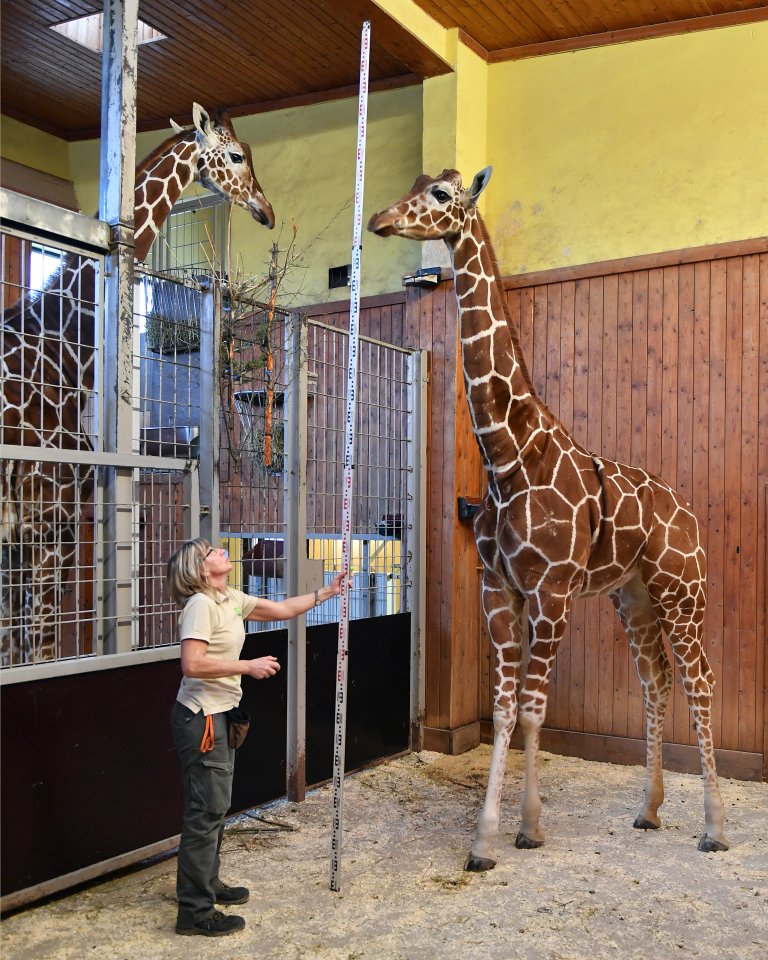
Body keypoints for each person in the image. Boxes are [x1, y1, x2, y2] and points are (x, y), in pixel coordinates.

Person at [166, 537, 346, 937]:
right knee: (205, 811)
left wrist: (327, 591)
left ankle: (208, 884)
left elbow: (282, 609)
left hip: (220, 717)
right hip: (202, 720)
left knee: (215, 806)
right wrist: (246, 666)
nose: (220, 552)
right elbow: (192, 664)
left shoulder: (229, 597)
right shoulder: (200, 605)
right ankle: (194, 912)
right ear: (199, 568)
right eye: (211, 551)